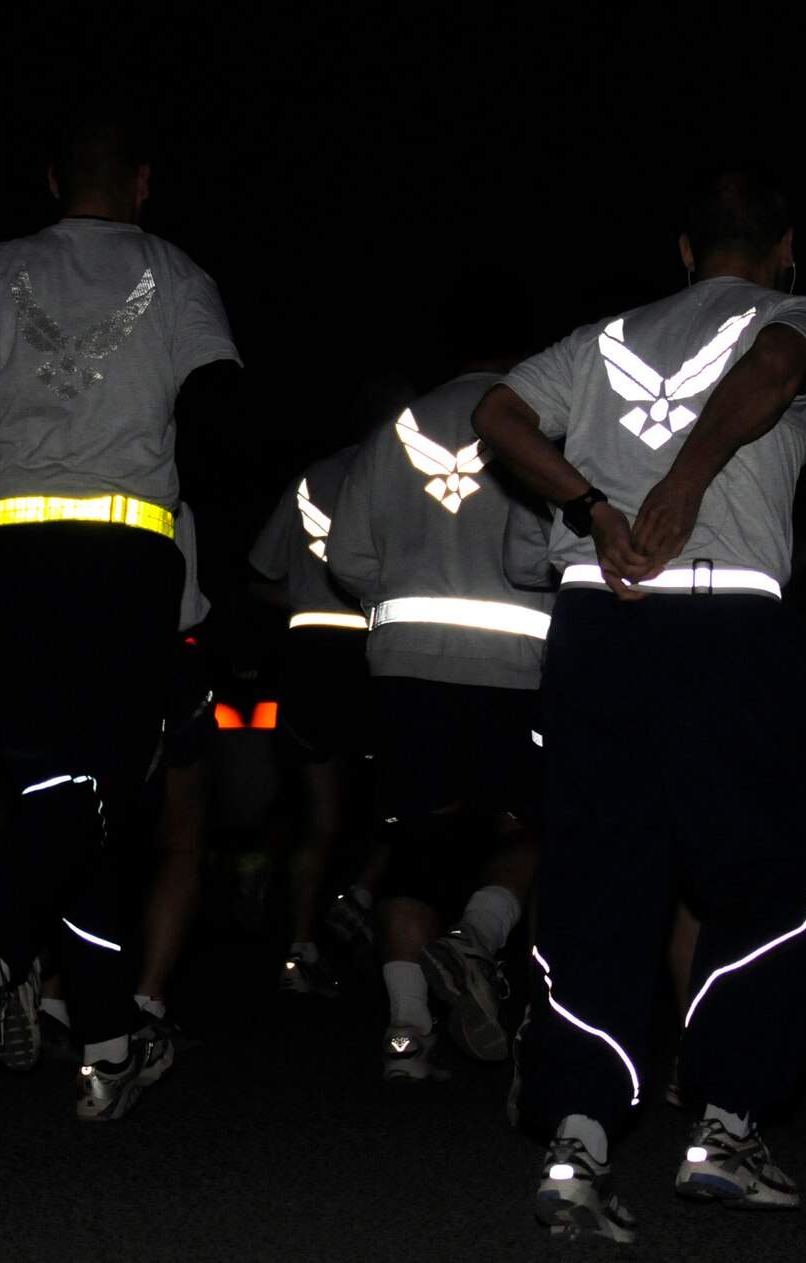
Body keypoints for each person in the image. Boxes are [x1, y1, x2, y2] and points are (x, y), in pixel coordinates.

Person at [475, 167, 806, 1242]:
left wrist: (589, 506)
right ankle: (725, 1128)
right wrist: (681, 484)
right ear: (784, 246)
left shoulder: (595, 341)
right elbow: (777, 368)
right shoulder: (796, 313)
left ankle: (576, 1146)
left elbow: (495, 411)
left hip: (597, 622)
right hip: (725, 623)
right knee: (767, 876)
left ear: (683, 251)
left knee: (598, 879)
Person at [0, 109, 241, 1121]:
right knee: (99, 787)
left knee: (60, 786)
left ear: (53, 180)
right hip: (123, 551)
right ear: (142, 182)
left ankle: (105, 1038)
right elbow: (221, 404)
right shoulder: (179, 276)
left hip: (9, 550)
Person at [329, 361, 550, 1082]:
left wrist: (405, 593)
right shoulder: (536, 419)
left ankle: (406, 1031)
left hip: (405, 670)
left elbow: (347, 555)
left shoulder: (395, 430)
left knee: (417, 838)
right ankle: (478, 939)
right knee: (527, 824)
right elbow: (537, 553)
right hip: (513, 669)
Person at [248, 444, 379, 994]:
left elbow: (260, 574)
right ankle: (362, 897)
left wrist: (305, 594)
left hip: (311, 654)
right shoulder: (406, 464)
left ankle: (300, 954)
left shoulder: (313, 472)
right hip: (382, 649)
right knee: (415, 800)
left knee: (321, 813)